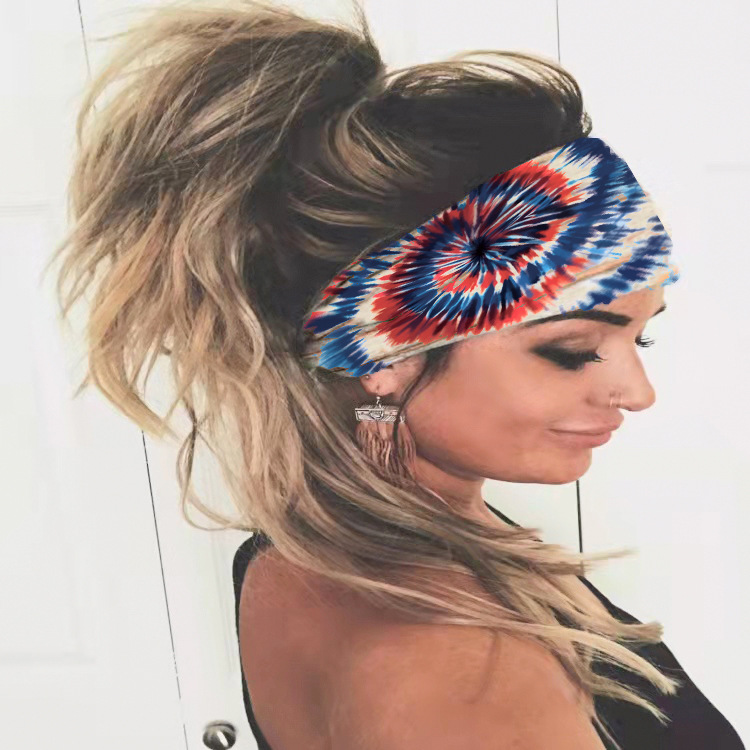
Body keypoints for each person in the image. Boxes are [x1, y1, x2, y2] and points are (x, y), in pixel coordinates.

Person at [47, 1, 745, 748]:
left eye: (644, 335)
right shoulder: (463, 676)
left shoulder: (306, 550)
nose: (638, 393)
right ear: (382, 352)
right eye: (571, 350)